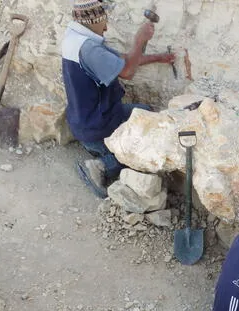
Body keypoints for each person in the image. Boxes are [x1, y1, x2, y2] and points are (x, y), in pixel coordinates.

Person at [61, 0, 174, 198]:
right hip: (98, 127)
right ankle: (100, 165)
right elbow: (128, 71)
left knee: (145, 112)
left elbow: (122, 60)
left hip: (87, 120)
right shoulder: (90, 50)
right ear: (93, 20)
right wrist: (139, 40)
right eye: (103, 21)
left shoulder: (75, 38)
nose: (106, 27)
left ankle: (101, 151)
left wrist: (159, 57)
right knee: (143, 145)